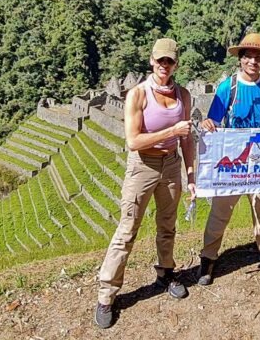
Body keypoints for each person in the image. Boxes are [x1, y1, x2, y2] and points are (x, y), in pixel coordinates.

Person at [94, 38, 196, 329]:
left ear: (176, 64)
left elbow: (186, 138)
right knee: (127, 230)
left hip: (171, 164)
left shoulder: (183, 95)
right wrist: (170, 130)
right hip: (143, 166)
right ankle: (106, 296)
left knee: (167, 224)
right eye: (160, 60)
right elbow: (133, 141)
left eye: (170, 61)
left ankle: (166, 272)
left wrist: (191, 174)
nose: (165, 66)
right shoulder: (138, 94)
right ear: (152, 61)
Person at [197, 33, 260, 284]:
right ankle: (208, 258)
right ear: (241, 60)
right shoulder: (228, 87)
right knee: (220, 212)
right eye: (249, 57)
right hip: (233, 161)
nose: (253, 61)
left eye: (258, 57)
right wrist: (207, 123)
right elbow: (215, 121)